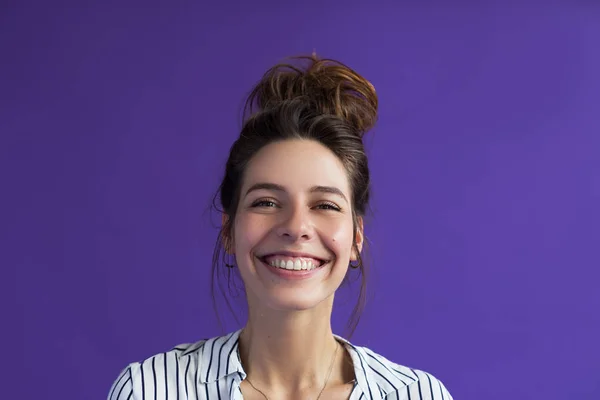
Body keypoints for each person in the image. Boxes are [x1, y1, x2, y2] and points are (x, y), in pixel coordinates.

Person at [108, 54, 453, 400]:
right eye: (266, 202)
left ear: (355, 238)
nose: (296, 226)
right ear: (228, 230)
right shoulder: (150, 389)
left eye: (325, 205)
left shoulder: (417, 395)